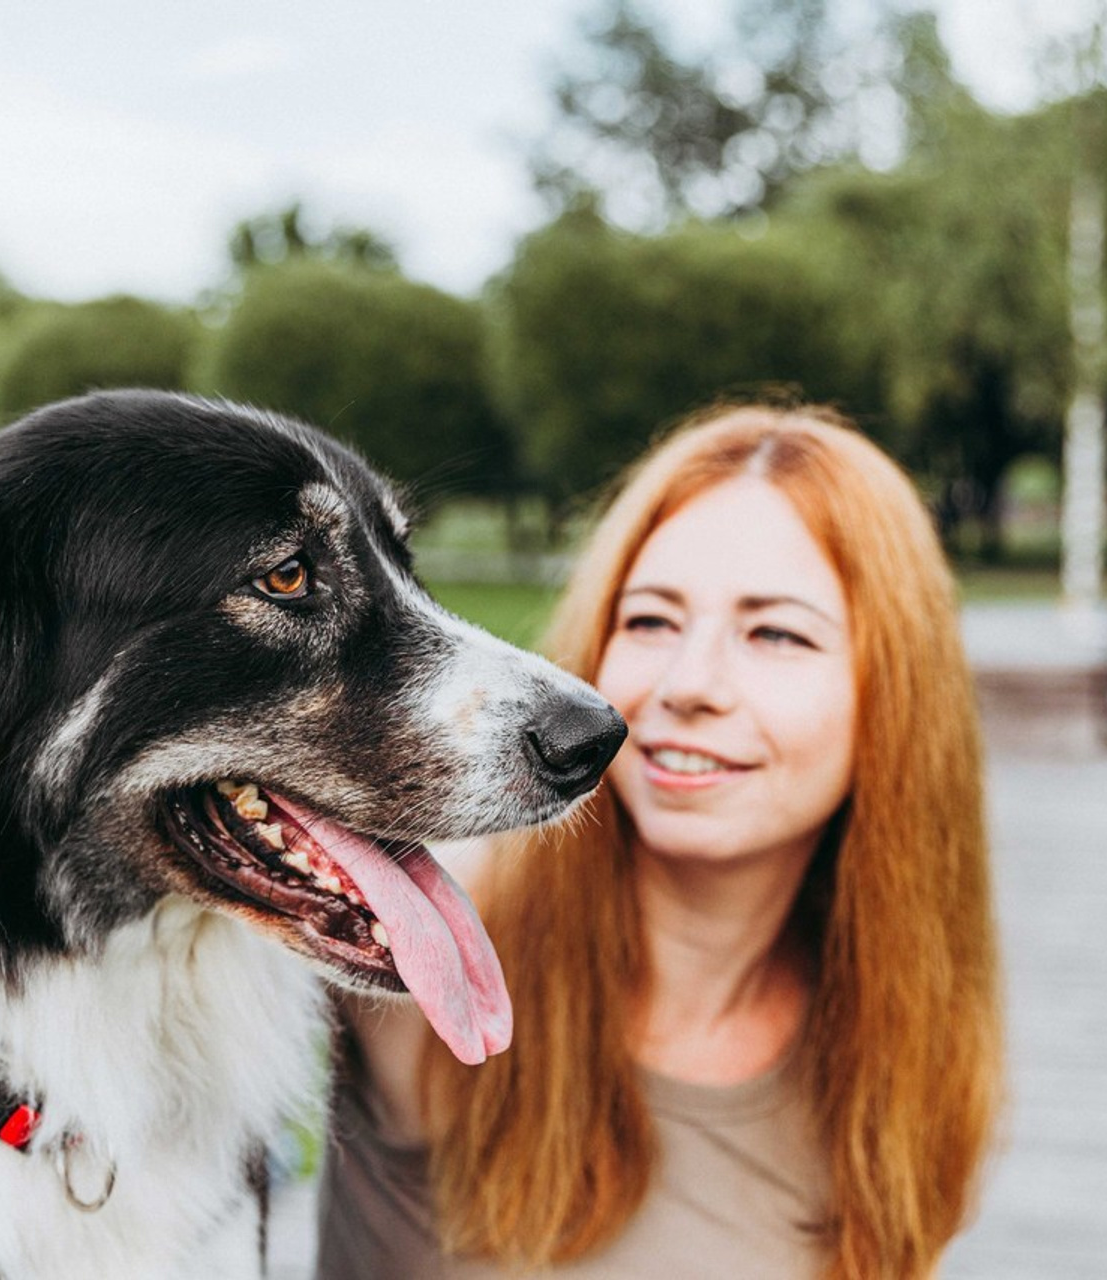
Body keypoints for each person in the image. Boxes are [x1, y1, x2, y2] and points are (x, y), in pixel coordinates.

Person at [314, 402, 1003, 1279]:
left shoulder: (903, 1058)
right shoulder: (413, 939)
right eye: (648, 622)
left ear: (895, 701)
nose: (689, 685)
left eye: (776, 633)